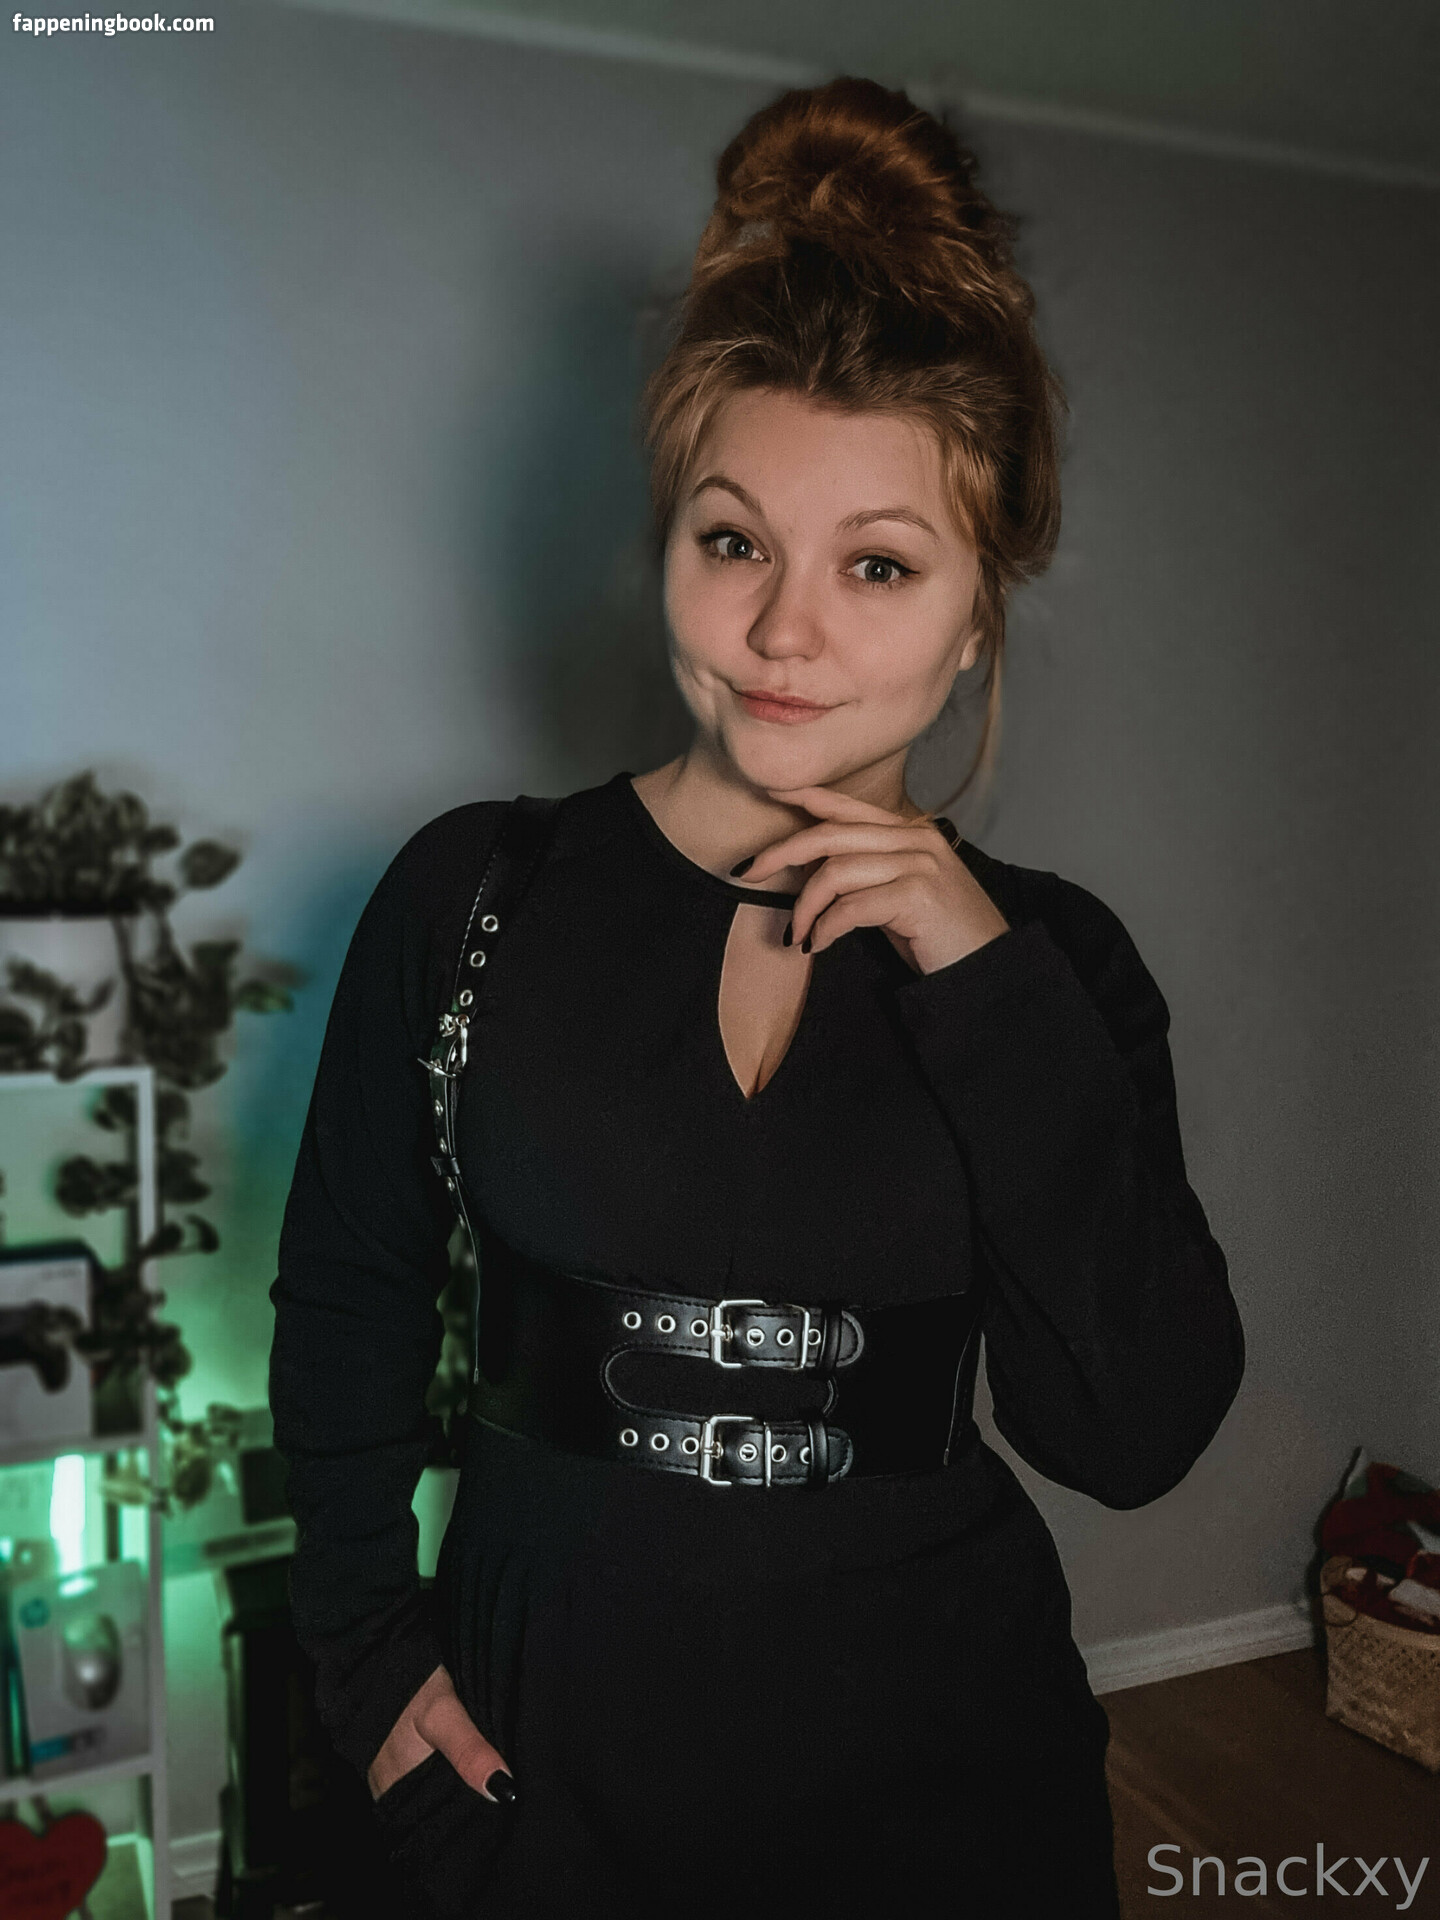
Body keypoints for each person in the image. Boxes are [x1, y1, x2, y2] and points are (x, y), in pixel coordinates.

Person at [269, 76, 1245, 1919]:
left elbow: (1135, 1435)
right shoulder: (472, 897)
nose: (788, 630)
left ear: (978, 610)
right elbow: (346, 1300)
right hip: (539, 1773)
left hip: (949, 1784)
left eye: (878, 564)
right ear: (670, 545)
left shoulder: (1056, 966)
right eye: (736, 541)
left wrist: (982, 981)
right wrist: (369, 1668)